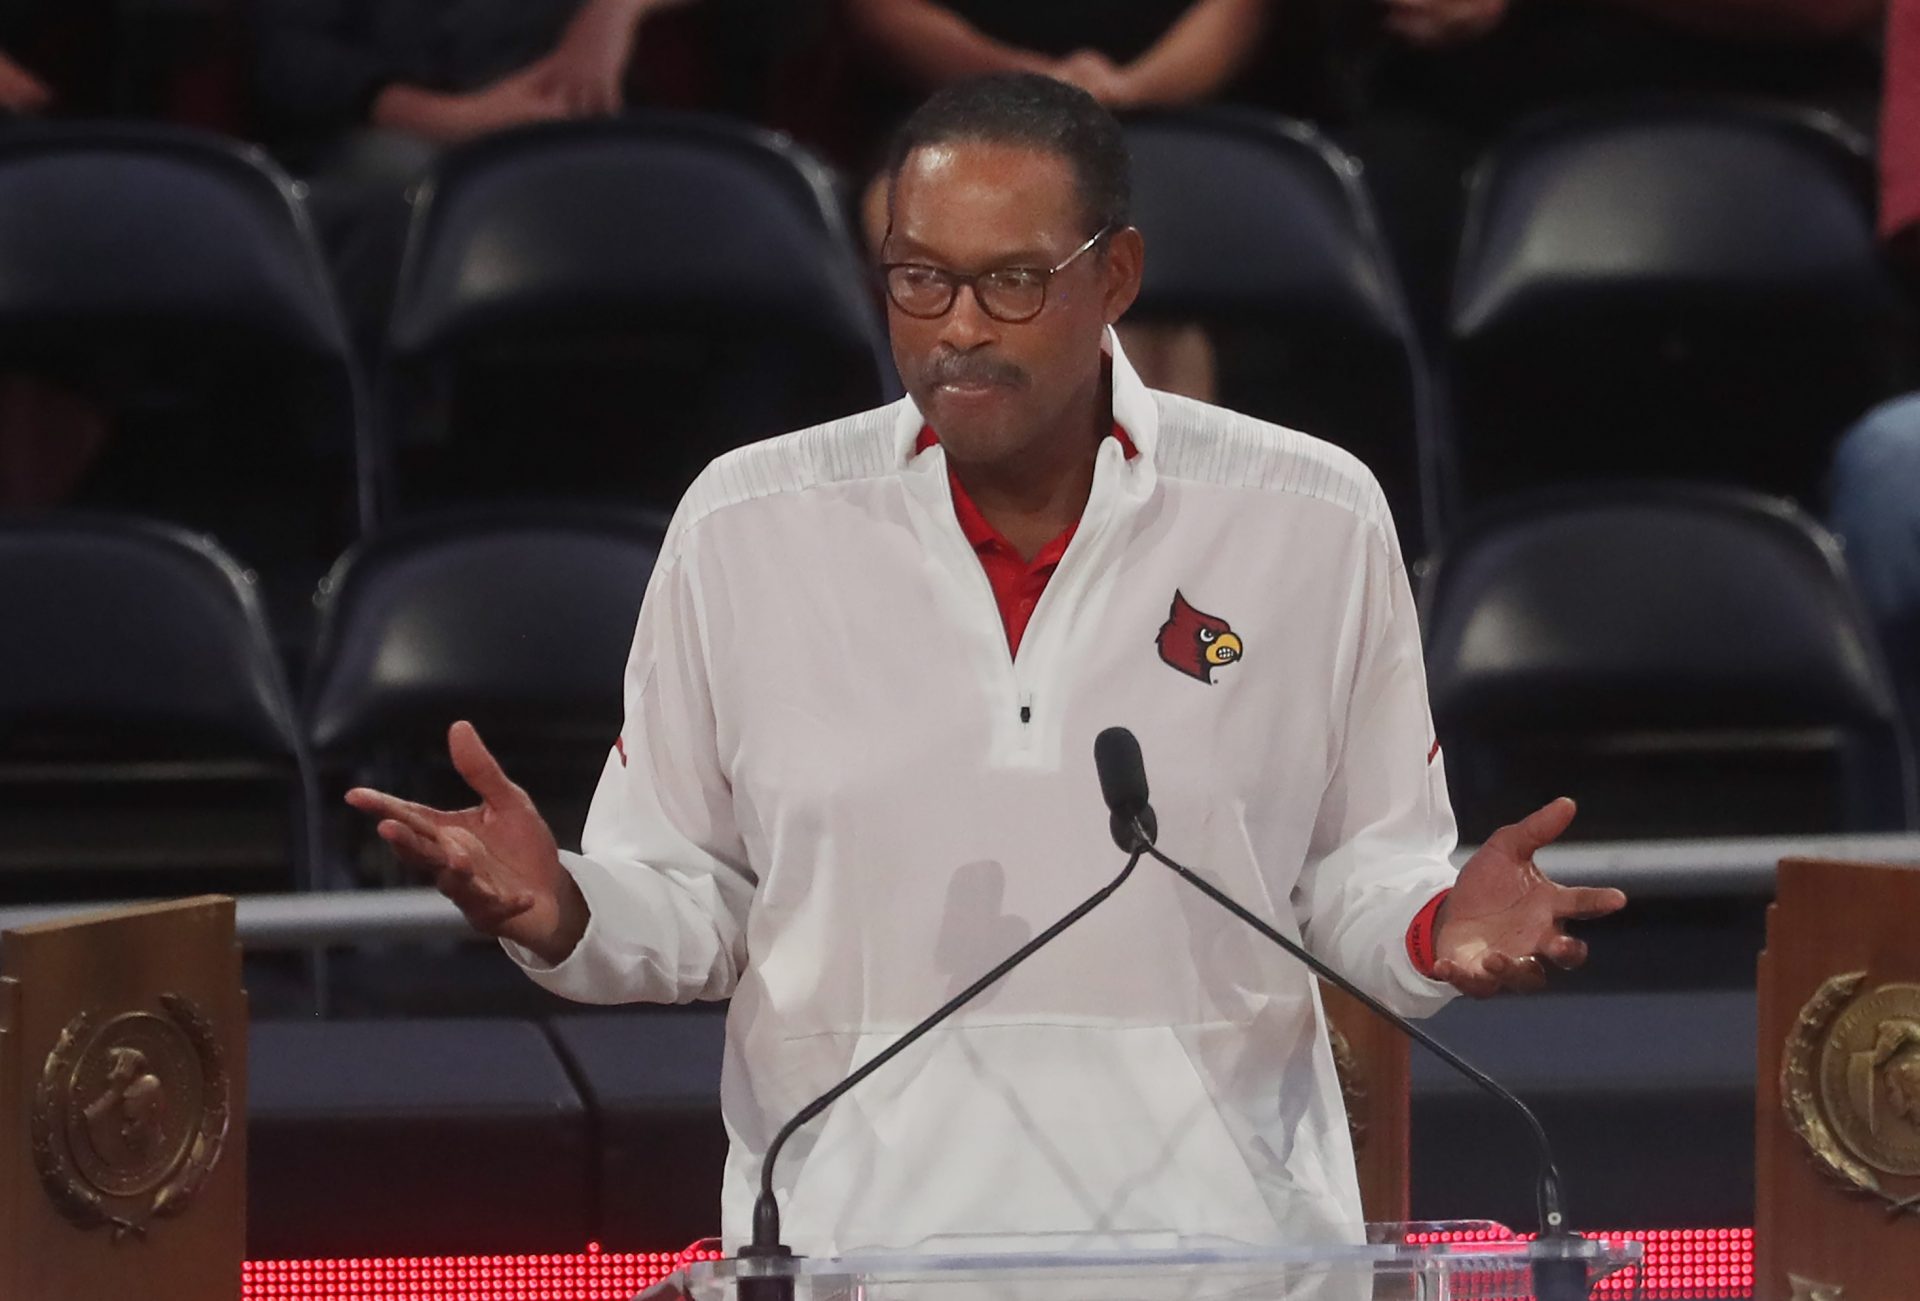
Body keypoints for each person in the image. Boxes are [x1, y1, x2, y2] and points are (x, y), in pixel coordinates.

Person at [347, 74, 1626, 1255]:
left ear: (1116, 274)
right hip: (856, 1248)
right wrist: (563, 906)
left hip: (1221, 1256)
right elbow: (698, 896)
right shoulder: (746, 523)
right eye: (920, 280)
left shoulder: (1310, 513)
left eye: (1013, 281)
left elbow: (1357, 870)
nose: (958, 328)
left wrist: (1434, 923)